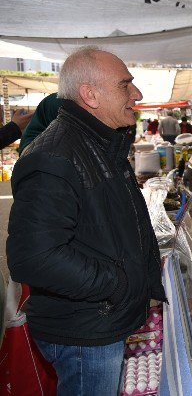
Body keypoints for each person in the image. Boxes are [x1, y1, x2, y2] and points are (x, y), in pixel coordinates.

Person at [7, 46, 167, 395]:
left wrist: (147, 286)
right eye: (125, 84)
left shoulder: (100, 141)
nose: (137, 94)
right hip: (85, 332)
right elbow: (33, 257)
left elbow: (122, 223)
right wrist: (122, 285)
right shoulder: (54, 156)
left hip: (100, 319)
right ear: (90, 95)